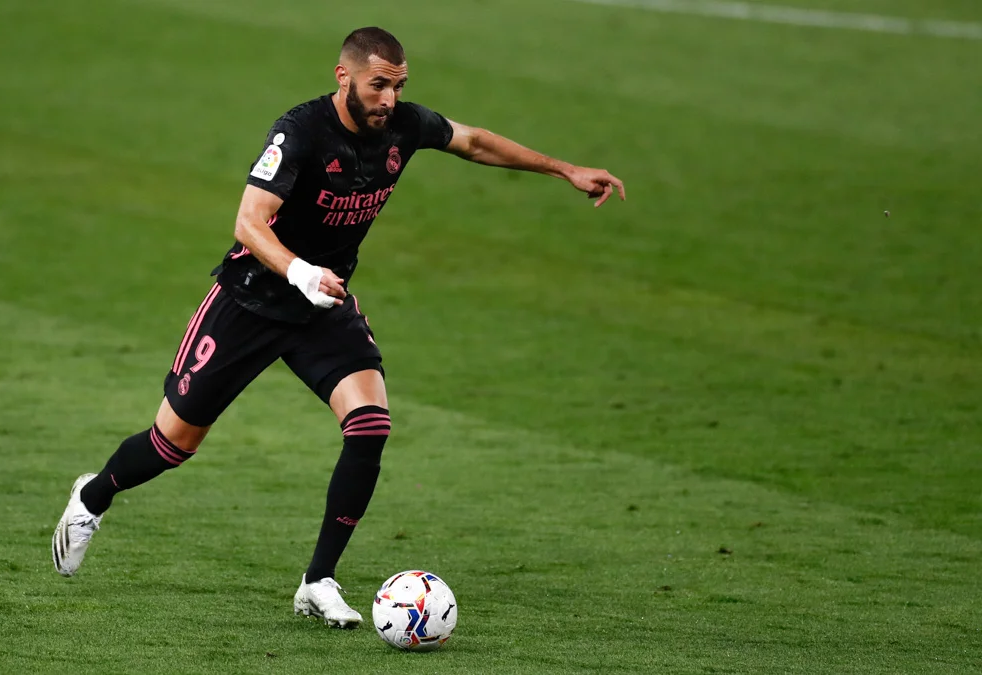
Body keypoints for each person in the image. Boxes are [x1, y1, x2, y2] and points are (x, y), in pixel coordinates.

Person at [52, 26, 625, 628]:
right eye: (378, 85)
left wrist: (565, 170)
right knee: (172, 445)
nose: (389, 100)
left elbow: (475, 142)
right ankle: (92, 497)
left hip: (322, 306)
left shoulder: (403, 126)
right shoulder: (299, 131)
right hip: (250, 301)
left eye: (399, 87)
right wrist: (299, 271)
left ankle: (318, 580)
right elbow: (249, 222)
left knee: (370, 425)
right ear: (343, 76)